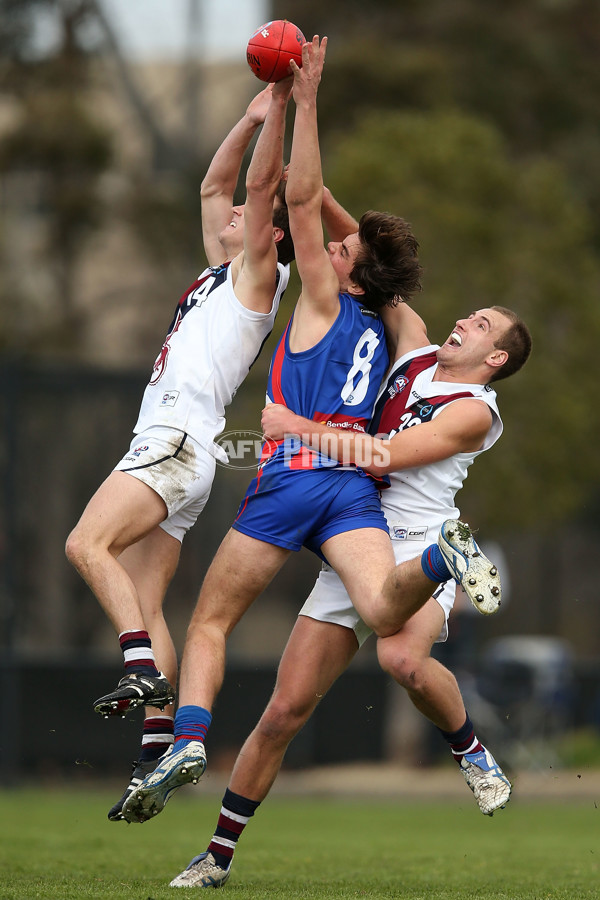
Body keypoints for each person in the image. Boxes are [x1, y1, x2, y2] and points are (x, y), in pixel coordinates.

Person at [119, 37, 502, 830]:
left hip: (296, 470)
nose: (329, 246)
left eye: (342, 250)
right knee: (383, 614)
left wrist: (304, 99)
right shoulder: (399, 327)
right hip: (356, 497)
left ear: (353, 274)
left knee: (209, 622)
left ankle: (186, 738)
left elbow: (300, 197)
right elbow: (325, 210)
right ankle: (440, 558)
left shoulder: (326, 297)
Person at [164, 298, 532, 888]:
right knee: (284, 712)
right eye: (470, 314)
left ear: (495, 357)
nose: (464, 321)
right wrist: (301, 205)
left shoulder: (474, 413)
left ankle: (472, 752)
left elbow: (384, 454)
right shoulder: (415, 349)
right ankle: (217, 855)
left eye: (482, 325)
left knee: (402, 658)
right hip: (356, 534)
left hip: (416, 541)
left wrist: (299, 429)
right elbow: (375, 263)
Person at [64, 78, 295, 820]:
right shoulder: (215, 278)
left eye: (246, 216)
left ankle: (140, 672)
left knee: (84, 545)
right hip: (179, 454)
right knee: (150, 599)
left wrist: (283, 111)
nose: (231, 213)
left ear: (266, 235)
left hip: (173, 443)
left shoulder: (259, 273)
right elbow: (210, 185)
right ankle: (158, 749)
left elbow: (256, 185)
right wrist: (251, 112)